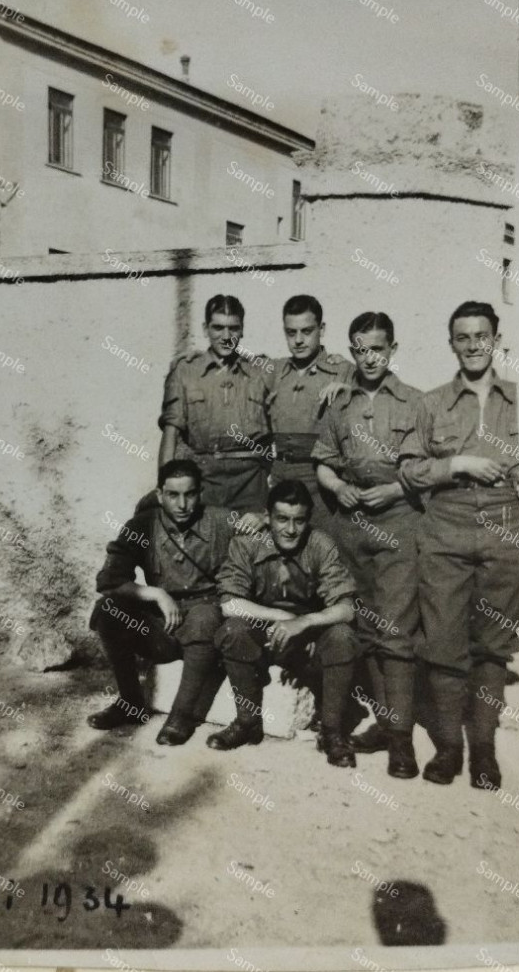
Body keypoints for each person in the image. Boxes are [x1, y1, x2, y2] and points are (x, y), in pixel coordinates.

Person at [398, 300, 519, 789]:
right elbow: (408, 470)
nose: (473, 345)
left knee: (492, 647)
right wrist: (458, 465)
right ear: (451, 343)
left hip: (504, 525)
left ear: (496, 339)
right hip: (446, 524)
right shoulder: (429, 404)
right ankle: (450, 747)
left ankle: (484, 753)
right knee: (446, 644)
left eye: (481, 336)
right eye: (463, 337)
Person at [312, 312, 423, 780]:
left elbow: (424, 471)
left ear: (393, 348)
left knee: (394, 632)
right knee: (358, 626)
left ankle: (400, 743)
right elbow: (323, 462)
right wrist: (337, 488)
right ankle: (378, 724)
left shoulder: (415, 403)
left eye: (377, 347)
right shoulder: (339, 402)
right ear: (351, 350)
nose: (369, 357)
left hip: (398, 523)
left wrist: (396, 490)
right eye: (359, 348)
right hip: (350, 524)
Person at [206, 479, 359, 767]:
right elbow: (229, 604)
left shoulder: (320, 544)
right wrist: (286, 619)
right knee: (233, 630)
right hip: (265, 635)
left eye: (299, 521)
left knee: (343, 637)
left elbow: (347, 609)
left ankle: (331, 731)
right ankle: (247, 722)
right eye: (282, 519)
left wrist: (305, 623)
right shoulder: (247, 542)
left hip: (307, 640)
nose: (290, 529)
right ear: (268, 517)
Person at [88, 459, 232, 746]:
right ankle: (131, 702)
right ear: (159, 495)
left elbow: (268, 544)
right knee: (107, 610)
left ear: (200, 493)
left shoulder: (221, 521)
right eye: (173, 495)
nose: (182, 504)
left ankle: (181, 717)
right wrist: (155, 594)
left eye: (189, 494)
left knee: (204, 617)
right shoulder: (143, 525)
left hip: (208, 626)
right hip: (163, 626)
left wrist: (262, 520)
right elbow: (109, 580)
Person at [158, 294, 272, 516]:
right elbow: (170, 435)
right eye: (218, 328)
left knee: (251, 547)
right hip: (203, 481)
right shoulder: (186, 371)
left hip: (250, 483)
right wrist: (165, 487)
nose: (226, 337)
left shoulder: (262, 372)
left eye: (233, 328)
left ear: (242, 329)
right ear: (205, 329)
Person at [267, 295, 355, 535]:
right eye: (291, 332)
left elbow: (375, 398)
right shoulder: (275, 371)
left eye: (306, 331)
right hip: (281, 475)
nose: (298, 340)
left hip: (321, 479)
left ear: (322, 329)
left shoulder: (343, 370)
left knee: (323, 547)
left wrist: (350, 391)